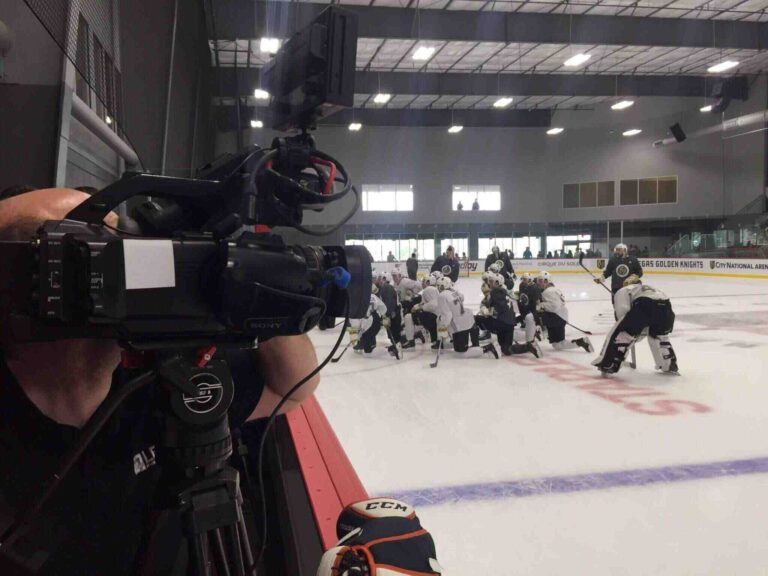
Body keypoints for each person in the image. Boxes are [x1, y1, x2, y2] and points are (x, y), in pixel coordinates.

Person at [0, 188, 325, 575]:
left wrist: (253, 290)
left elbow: (292, 386)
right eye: (87, 250)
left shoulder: (162, 377)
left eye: (122, 242)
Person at [592, 275, 678, 375]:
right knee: (659, 337)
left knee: (622, 334)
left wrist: (632, 332)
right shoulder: (651, 288)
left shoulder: (623, 290)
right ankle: (669, 364)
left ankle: (609, 364)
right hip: (666, 308)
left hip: (645, 305)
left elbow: (622, 314)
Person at [475, 273, 539, 357]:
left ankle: (475, 344)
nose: (489, 284)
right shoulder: (507, 292)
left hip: (500, 323)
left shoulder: (495, 292)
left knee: (476, 319)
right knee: (506, 349)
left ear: (497, 283)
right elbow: (514, 307)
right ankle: (528, 347)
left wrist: (486, 311)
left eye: (491, 281)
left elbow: (496, 309)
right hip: (509, 324)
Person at [435, 277, 498, 358]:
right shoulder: (455, 291)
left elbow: (447, 316)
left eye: (439, 286)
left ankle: (488, 348)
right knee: (466, 346)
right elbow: (462, 298)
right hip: (469, 319)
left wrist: (442, 331)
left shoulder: (442, 296)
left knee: (460, 353)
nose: (438, 288)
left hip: (459, 325)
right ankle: (476, 346)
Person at [536, 271, 593, 353]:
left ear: (546, 281)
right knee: (558, 344)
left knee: (535, 315)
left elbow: (554, 307)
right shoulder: (555, 289)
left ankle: (541, 333)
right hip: (561, 317)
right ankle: (582, 342)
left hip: (556, 318)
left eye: (540, 281)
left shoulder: (548, 292)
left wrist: (541, 305)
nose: (538, 283)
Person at [391, 268, 427, 349]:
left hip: (410, 303)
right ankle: (417, 334)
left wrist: (414, 294)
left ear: (400, 275)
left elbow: (419, 285)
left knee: (407, 321)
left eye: (395, 276)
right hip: (403, 304)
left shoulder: (405, 282)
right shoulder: (395, 284)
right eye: (392, 276)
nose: (394, 278)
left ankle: (412, 338)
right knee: (407, 322)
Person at [352, 283, 389, 354]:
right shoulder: (374, 296)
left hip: (369, 321)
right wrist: (384, 316)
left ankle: (362, 342)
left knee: (357, 326)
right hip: (375, 322)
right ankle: (369, 343)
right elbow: (383, 308)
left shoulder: (359, 297)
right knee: (368, 349)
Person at [374, 271, 401, 357]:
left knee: (394, 332)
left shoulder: (387, 288)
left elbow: (389, 303)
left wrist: (387, 316)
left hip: (394, 314)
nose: (378, 280)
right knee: (392, 333)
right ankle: (395, 346)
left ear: (384, 279)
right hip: (394, 314)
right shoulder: (386, 287)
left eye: (380, 278)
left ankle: (396, 347)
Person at [412, 272, 441, 342]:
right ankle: (435, 339)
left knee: (413, 315)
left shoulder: (428, 289)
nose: (422, 283)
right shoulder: (434, 289)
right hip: (440, 316)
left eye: (424, 281)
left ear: (428, 282)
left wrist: (420, 307)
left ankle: (416, 333)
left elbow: (433, 305)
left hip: (436, 317)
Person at [515, 272, 543, 346]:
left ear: (530, 280)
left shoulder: (534, 287)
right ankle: (529, 324)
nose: (523, 281)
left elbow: (537, 300)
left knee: (532, 316)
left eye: (525, 279)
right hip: (526, 305)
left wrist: (538, 308)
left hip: (532, 306)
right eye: (523, 279)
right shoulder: (521, 285)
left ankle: (537, 329)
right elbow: (522, 295)